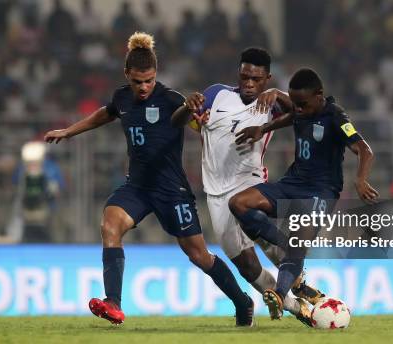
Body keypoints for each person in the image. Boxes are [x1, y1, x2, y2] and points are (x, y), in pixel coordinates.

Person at [44, 32, 254, 326]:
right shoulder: (121, 97)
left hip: (172, 190)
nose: (143, 87)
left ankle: (243, 302)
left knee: (199, 255)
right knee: (110, 224)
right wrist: (68, 131)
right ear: (127, 75)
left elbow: (198, 124)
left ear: (156, 75)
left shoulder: (171, 99)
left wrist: (209, 128)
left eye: (149, 80)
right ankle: (114, 303)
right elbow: (106, 114)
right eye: (137, 81)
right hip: (138, 187)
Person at [171, 49, 324, 326]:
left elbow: (307, 114)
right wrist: (187, 107)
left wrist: (279, 95)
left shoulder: (271, 103)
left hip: (249, 183)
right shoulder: (216, 94)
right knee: (247, 265)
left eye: (256, 78)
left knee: (255, 223)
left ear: (267, 78)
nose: (249, 83)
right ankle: (294, 306)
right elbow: (178, 122)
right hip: (215, 193)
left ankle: (297, 277)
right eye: (244, 77)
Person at [229, 68, 378, 319]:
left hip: (320, 193)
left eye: (302, 105)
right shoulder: (302, 107)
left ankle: (278, 293)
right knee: (239, 204)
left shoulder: (335, 116)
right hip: (291, 183)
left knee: (299, 241)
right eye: (294, 104)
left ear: (319, 95)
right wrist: (263, 129)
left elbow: (365, 150)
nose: (297, 109)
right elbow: (291, 117)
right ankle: (287, 248)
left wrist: (361, 179)